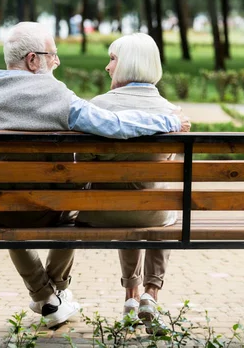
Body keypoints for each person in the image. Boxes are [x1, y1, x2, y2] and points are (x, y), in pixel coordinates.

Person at [0, 22, 190, 328]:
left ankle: (47, 299)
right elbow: (113, 124)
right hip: (45, 211)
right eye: (52, 55)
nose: (56, 61)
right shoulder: (56, 95)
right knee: (72, 205)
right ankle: (53, 289)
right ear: (33, 60)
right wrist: (169, 122)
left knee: (7, 208)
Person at [76, 33, 180, 335]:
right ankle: (150, 294)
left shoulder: (96, 107)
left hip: (99, 214)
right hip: (153, 215)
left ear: (129, 65)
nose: (107, 67)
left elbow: (82, 168)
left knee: (127, 198)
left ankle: (130, 297)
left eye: (113, 59)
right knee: (159, 201)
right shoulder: (172, 113)